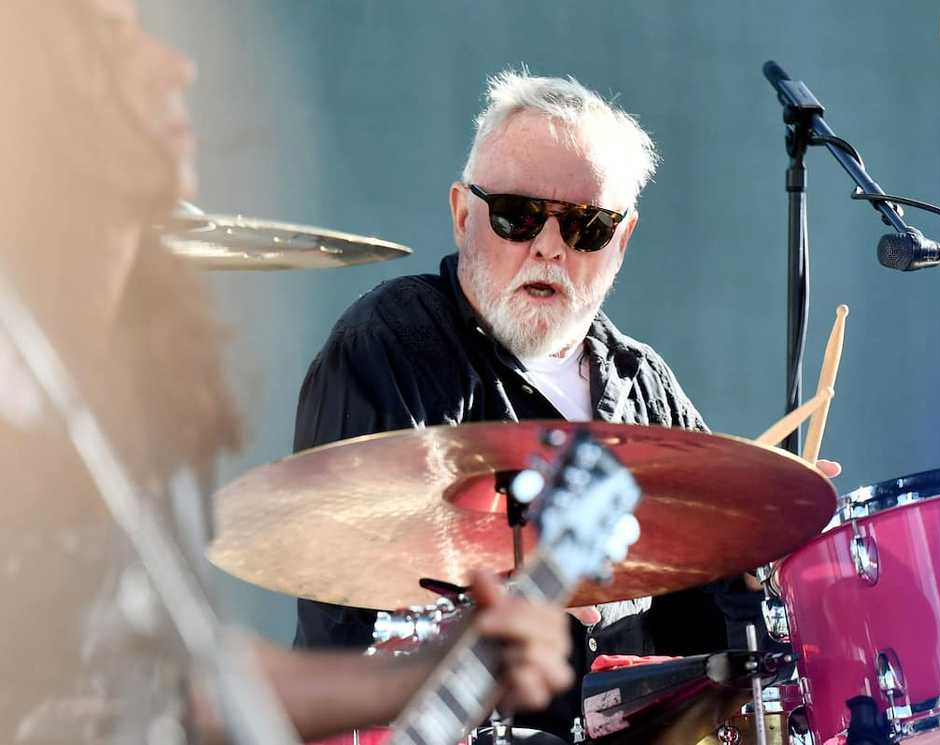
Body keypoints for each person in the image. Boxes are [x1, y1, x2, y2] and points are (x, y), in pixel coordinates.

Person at [0, 1, 572, 743]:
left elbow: (187, 679)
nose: (177, 66)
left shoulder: (137, 388)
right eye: (114, 39)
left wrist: (430, 667)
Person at [292, 69, 843, 738]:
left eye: (588, 226)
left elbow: (722, 633)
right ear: (464, 214)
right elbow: (346, 620)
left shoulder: (644, 385)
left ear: (623, 240)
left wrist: (774, 552)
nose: (549, 245)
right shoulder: (387, 347)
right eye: (517, 216)